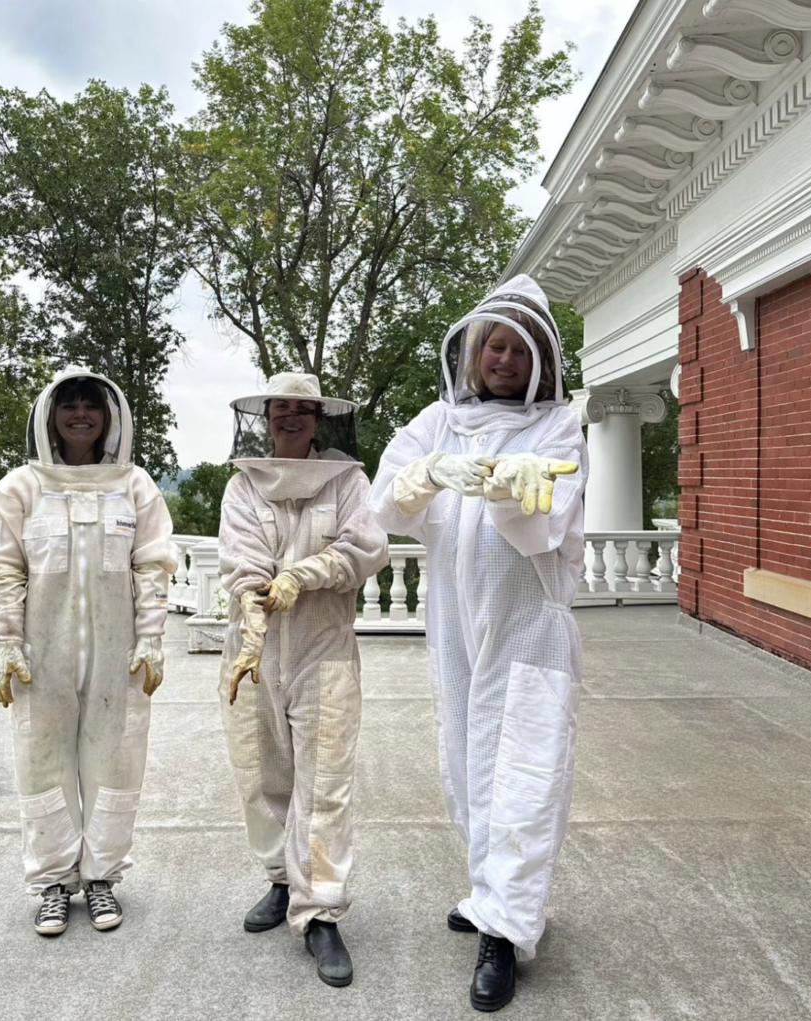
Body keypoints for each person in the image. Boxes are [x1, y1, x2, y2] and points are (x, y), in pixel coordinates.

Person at [368, 276, 587, 1012]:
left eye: (518, 349)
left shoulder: (558, 427)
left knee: (523, 769)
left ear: (540, 360)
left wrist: (508, 490)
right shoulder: (440, 419)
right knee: (467, 761)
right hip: (458, 623)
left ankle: (508, 929)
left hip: (529, 624)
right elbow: (385, 505)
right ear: (474, 349)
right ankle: (489, 891)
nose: (503, 358)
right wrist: (427, 473)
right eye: (494, 344)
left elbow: (541, 530)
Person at [0, 369, 177, 936]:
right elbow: (1, 568)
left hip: (119, 659)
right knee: (42, 766)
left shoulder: (134, 486)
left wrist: (151, 638)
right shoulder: (21, 487)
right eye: (70, 403)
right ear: (50, 415)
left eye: (92, 404)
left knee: (115, 762)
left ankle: (101, 880)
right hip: (42, 659)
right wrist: (8, 642)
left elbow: (153, 565)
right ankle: (52, 883)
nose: (81, 413)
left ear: (110, 416)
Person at [218, 372, 389, 987]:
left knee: (324, 785)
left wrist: (303, 575)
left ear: (318, 419)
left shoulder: (347, 481)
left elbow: (366, 548)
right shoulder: (243, 485)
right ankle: (280, 880)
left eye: (300, 409)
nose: (288, 418)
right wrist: (258, 599)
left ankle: (320, 911)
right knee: (263, 775)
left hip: (324, 651)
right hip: (253, 651)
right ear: (265, 417)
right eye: (278, 408)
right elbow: (239, 559)